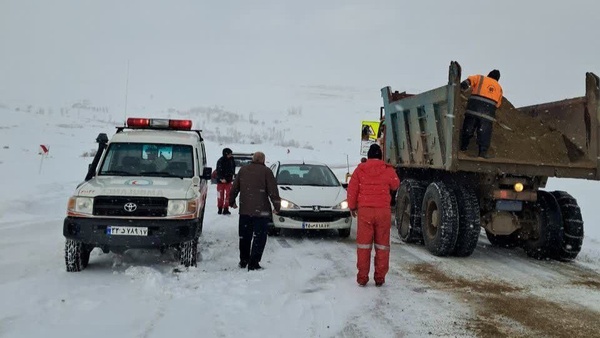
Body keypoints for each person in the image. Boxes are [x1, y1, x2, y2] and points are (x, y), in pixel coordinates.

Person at [347, 144, 400, 287]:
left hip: (365, 212)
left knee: (364, 246)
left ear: (369, 156)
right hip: (383, 211)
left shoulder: (360, 170)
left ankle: (362, 277)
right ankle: (380, 277)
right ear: (380, 155)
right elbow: (396, 185)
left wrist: (352, 207)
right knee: (382, 246)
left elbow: (352, 190)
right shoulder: (387, 170)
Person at [229, 151, 281, 271]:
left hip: (245, 210)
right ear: (263, 160)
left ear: (253, 159)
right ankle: (254, 263)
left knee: (244, 237)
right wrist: (277, 207)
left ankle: (243, 260)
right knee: (259, 237)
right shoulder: (267, 172)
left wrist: (231, 201)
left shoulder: (243, 170)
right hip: (261, 212)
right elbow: (273, 191)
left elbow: (234, 187)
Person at [459, 69, 503, 159]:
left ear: (488, 75)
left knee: (468, 129)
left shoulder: (480, 78)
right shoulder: (499, 88)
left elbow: (469, 80)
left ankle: (463, 148)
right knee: (484, 133)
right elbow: (498, 104)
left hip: (473, 109)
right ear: (498, 79)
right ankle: (482, 153)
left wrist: (463, 86)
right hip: (487, 115)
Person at [215, 148, 236, 215]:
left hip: (228, 181)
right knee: (220, 196)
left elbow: (232, 170)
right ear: (226, 154)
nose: (231, 155)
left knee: (228, 195)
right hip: (220, 182)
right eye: (229, 154)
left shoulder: (232, 160)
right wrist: (221, 178)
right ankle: (220, 208)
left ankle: (226, 208)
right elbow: (218, 171)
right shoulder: (220, 161)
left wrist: (229, 178)